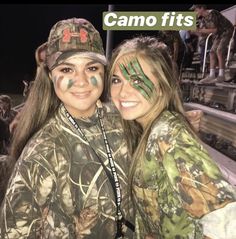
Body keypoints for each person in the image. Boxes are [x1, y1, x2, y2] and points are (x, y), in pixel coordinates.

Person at [0, 18, 134, 238]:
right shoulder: (39, 153)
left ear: (104, 72)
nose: (81, 80)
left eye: (91, 68)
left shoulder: (124, 121)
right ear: (51, 76)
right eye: (67, 69)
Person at [108, 36, 236, 238]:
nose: (122, 92)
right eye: (117, 80)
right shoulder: (150, 127)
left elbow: (227, 221)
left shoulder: (168, 136)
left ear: (161, 85)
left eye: (137, 80)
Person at [190, 4, 234, 84]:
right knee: (212, 52)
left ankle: (221, 75)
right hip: (218, 34)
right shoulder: (204, 19)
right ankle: (212, 75)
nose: (195, 12)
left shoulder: (213, 13)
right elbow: (204, 34)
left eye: (196, 10)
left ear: (202, 8)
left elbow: (215, 30)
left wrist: (200, 30)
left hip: (226, 31)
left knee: (219, 50)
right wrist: (195, 32)